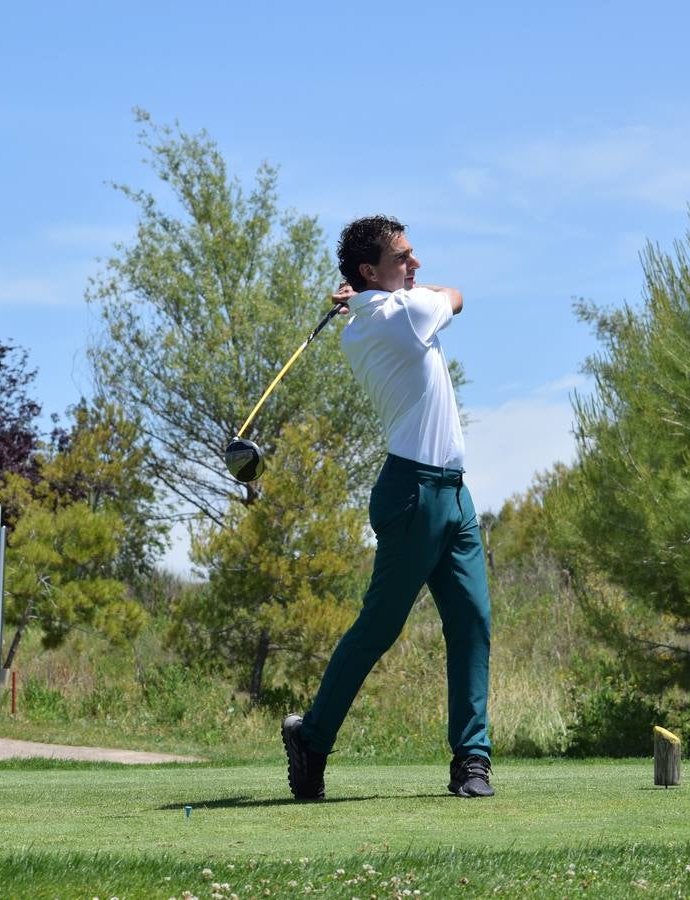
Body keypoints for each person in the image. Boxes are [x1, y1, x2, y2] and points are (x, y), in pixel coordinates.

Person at [282, 215, 493, 800]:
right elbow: (456, 296)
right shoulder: (404, 315)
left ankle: (472, 760)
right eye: (402, 257)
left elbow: (410, 296)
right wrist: (371, 296)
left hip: (454, 492)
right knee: (380, 627)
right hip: (412, 492)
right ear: (370, 271)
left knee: (472, 621)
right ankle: (311, 738)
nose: (415, 263)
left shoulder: (368, 319)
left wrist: (361, 295)